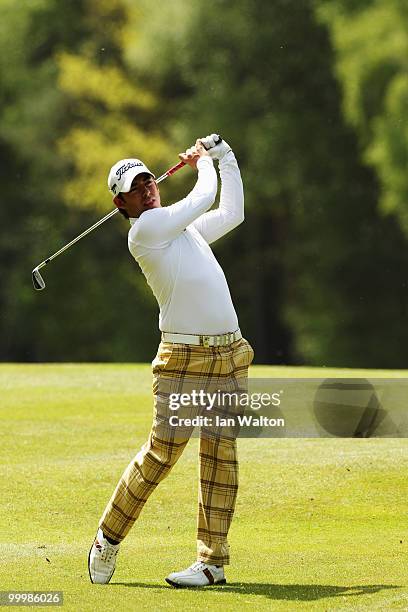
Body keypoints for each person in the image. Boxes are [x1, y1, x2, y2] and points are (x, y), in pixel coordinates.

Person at [88, 134, 254, 587]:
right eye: (135, 189)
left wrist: (225, 157)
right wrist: (203, 162)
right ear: (122, 205)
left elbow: (232, 212)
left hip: (229, 353)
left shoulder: (185, 233)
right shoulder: (145, 232)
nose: (147, 189)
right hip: (184, 358)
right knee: (163, 453)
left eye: (148, 180)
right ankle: (108, 538)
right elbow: (202, 197)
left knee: (221, 455)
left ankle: (212, 563)